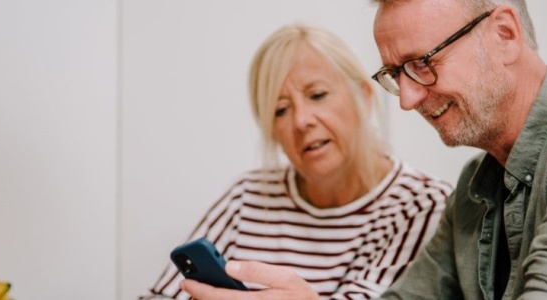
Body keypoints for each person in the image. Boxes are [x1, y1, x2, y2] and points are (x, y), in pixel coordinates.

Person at [181, 0, 547, 299]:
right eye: (395, 73)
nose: (404, 99)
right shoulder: (477, 189)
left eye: (422, 64)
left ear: (504, 34)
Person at [143, 23, 452, 300]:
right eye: (280, 110)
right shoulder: (247, 196)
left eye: (317, 95)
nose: (301, 120)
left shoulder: (421, 206)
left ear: (364, 96)